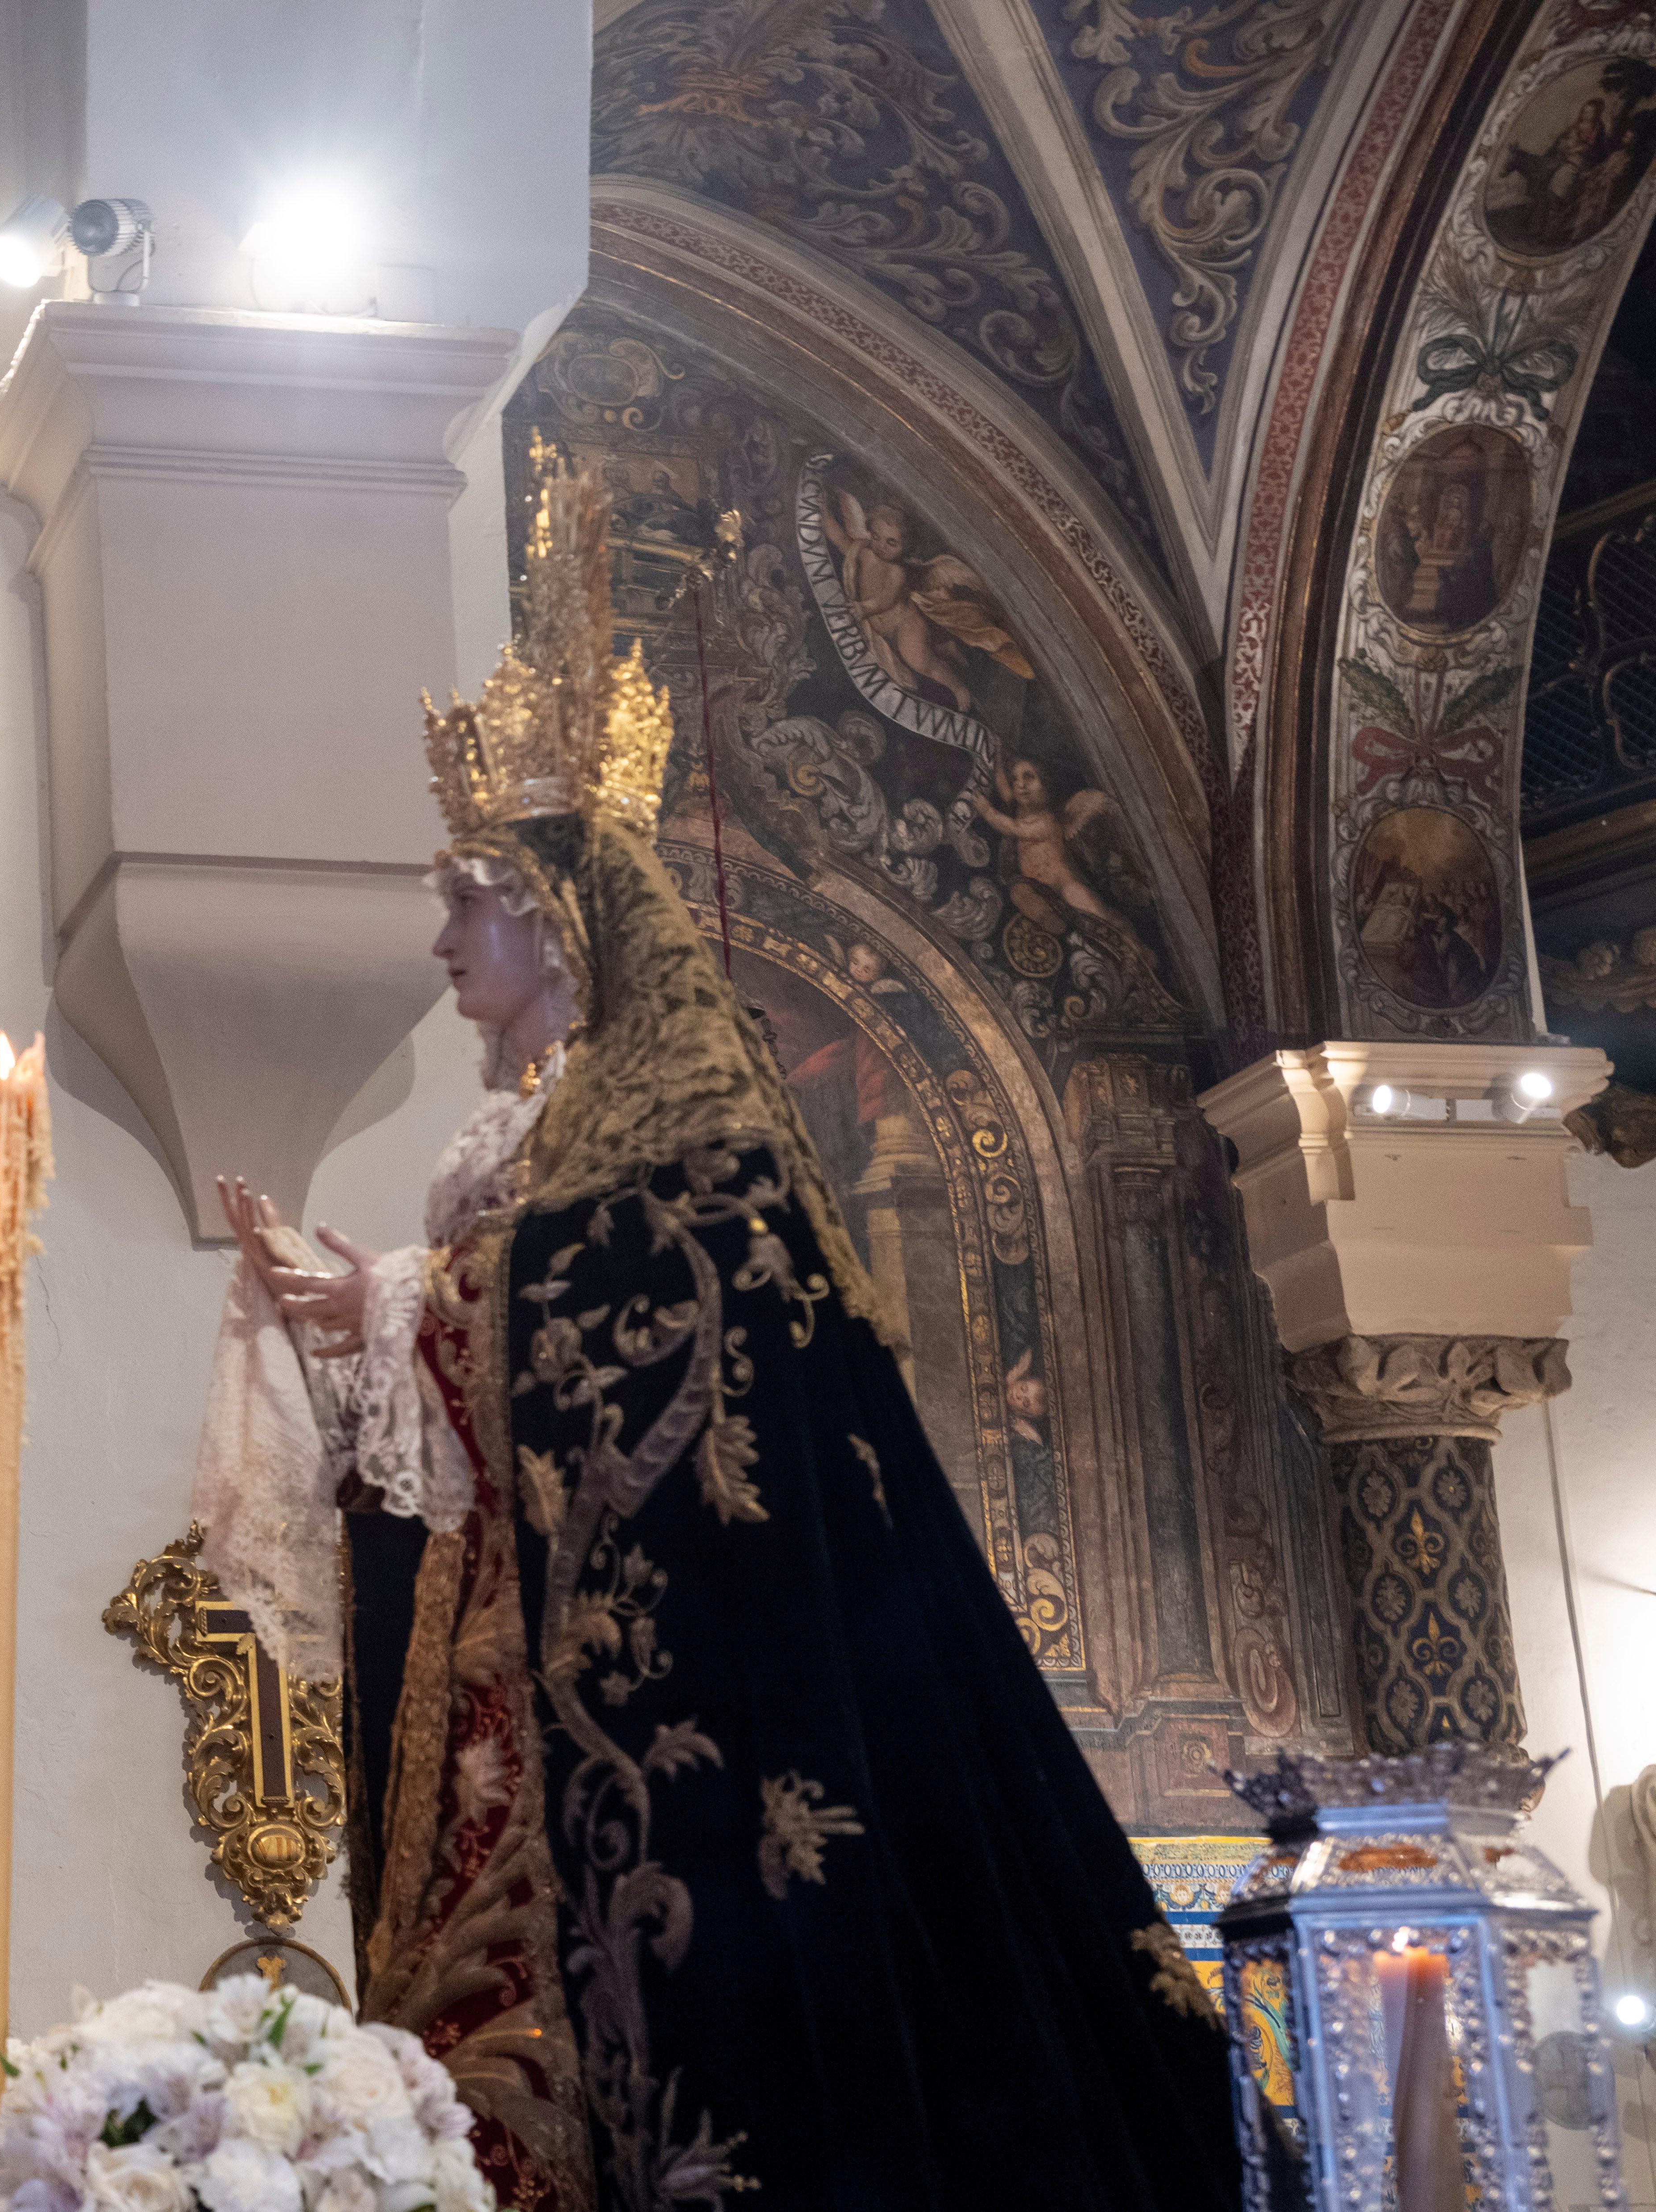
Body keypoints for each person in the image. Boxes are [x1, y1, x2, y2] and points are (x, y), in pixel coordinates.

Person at [201, 454, 1238, 2209]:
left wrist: (413, 1297)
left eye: (466, 897)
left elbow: (685, 1291)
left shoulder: (671, 1093)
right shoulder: (527, 1134)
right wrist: (380, 1308)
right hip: (504, 1656)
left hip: (682, 1694)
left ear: (555, 911)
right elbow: (537, 1311)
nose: (442, 938)